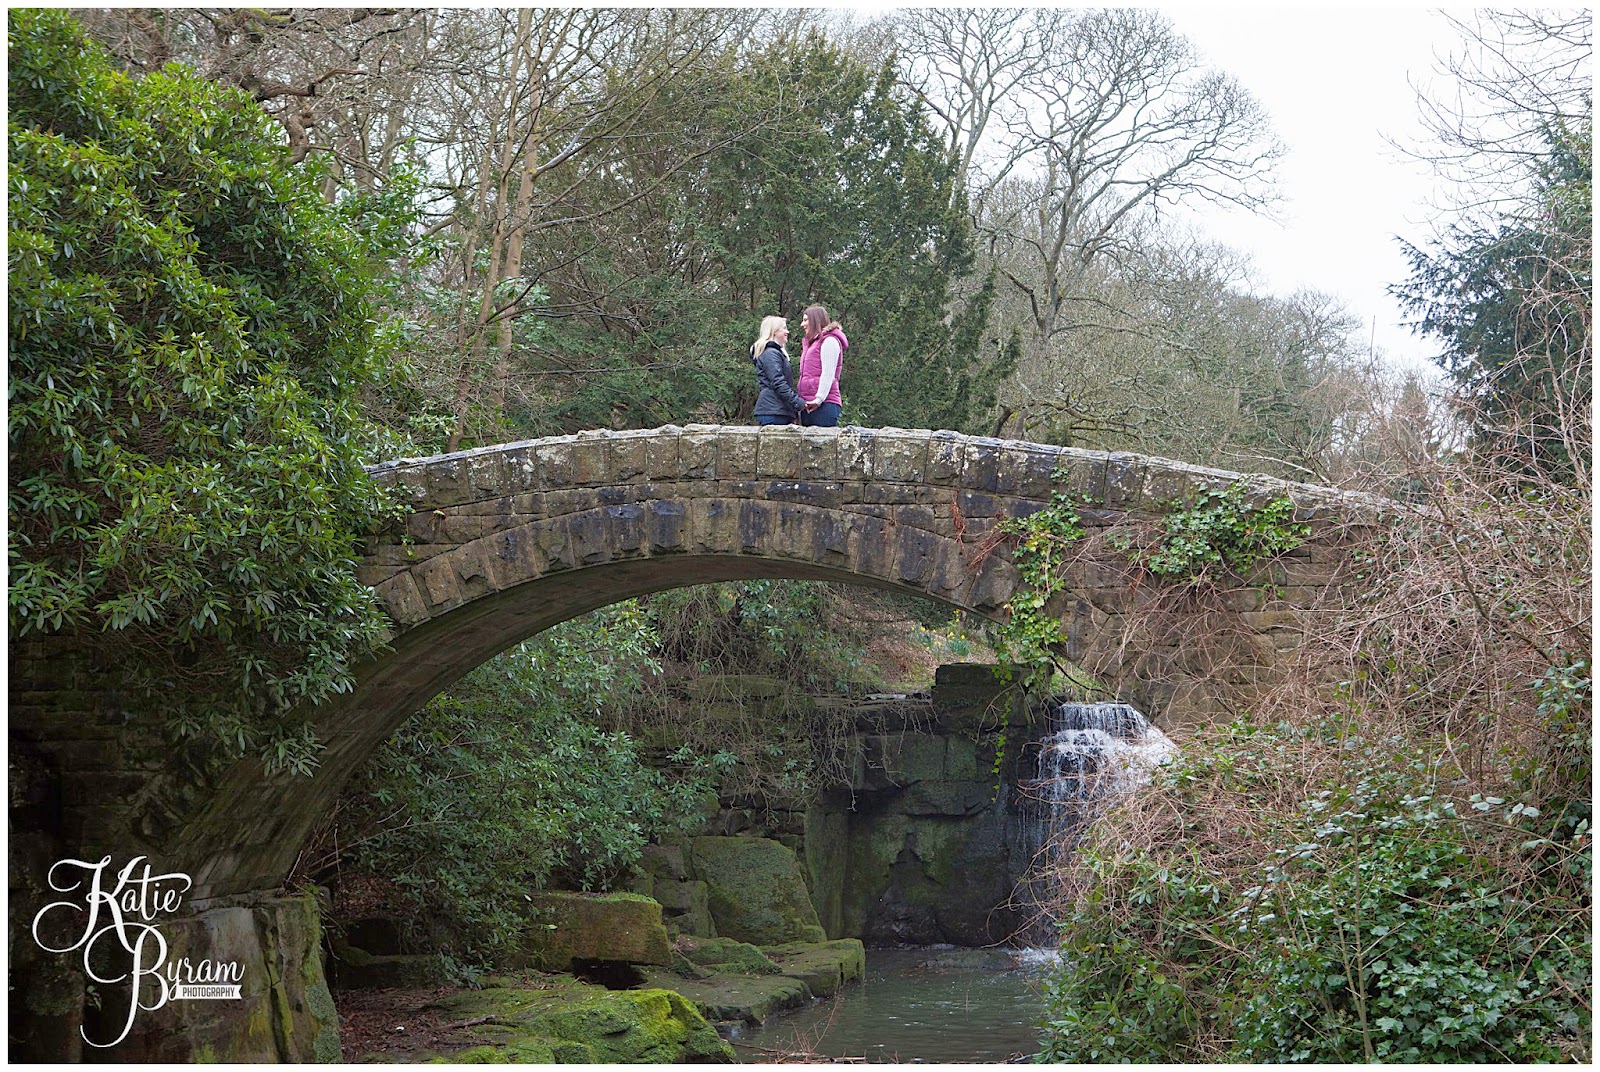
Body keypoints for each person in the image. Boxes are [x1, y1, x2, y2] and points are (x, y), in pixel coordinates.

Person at [797, 304, 847, 427]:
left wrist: (818, 399)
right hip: (809, 405)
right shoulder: (811, 344)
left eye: (805, 320)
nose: (802, 325)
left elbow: (828, 374)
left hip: (825, 405)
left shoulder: (829, 341)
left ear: (815, 320)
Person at [749, 314, 805, 425]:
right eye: (784, 328)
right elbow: (778, 382)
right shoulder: (771, 354)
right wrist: (798, 403)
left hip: (778, 410)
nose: (787, 332)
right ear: (774, 331)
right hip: (773, 412)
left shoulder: (775, 353)